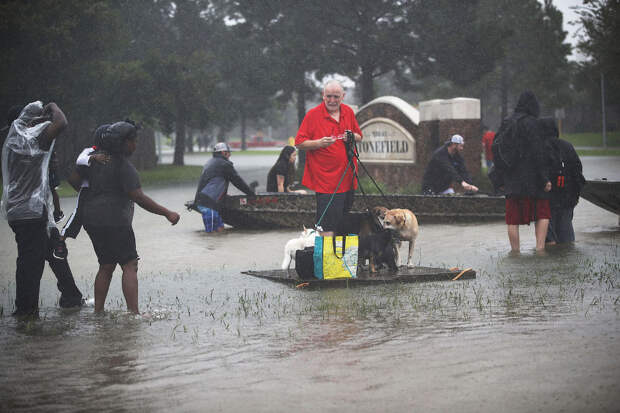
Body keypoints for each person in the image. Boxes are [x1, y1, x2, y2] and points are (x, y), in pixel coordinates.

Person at [78, 121, 180, 314]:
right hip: (115, 221)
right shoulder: (124, 166)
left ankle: (98, 312)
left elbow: (74, 180)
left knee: (106, 265)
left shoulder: (93, 161)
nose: (136, 145)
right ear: (123, 143)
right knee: (129, 264)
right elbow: (139, 197)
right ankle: (134, 314)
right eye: (134, 141)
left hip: (91, 219)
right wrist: (167, 213)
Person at [1, 101, 83, 318]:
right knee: (31, 263)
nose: (42, 123)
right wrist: (53, 106)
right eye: (37, 120)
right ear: (27, 122)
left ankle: (71, 298)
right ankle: (26, 312)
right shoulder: (31, 141)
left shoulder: (12, 141)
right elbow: (61, 122)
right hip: (31, 213)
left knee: (54, 252)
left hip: (27, 212)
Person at [295, 80, 362, 236]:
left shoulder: (348, 112)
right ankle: (328, 259)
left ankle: (342, 257)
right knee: (327, 225)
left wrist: (351, 136)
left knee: (343, 222)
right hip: (326, 181)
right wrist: (318, 143)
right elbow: (299, 143)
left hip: (347, 177)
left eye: (336, 97)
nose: (332, 100)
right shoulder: (312, 115)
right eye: (329, 96)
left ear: (343, 96)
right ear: (322, 95)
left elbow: (359, 136)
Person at [498, 91, 552, 252]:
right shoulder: (533, 123)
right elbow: (538, 153)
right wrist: (544, 178)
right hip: (533, 177)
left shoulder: (507, 122)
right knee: (542, 214)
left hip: (512, 177)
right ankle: (540, 248)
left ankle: (515, 251)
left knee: (512, 219)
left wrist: (501, 178)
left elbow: (498, 150)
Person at [539, 117, 585, 245]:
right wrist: (575, 196)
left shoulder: (540, 148)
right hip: (568, 196)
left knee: (548, 237)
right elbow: (578, 171)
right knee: (567, 236)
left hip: (548, 198)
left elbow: (536, 172)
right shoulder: (568, 146)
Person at [193, 142, 256, 233]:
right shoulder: (224, 164)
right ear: (223, 153)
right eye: (228, 152)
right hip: (209, 205)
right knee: (212, 236)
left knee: (220, 233)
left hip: (205, 202)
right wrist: (251, 194)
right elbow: (237, 181)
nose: (230, 154)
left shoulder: (210, 162)